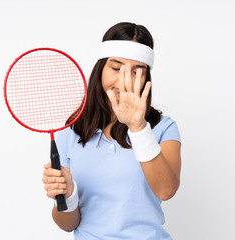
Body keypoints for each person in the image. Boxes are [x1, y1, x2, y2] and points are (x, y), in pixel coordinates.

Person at [42, 22, 182, 239]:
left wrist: (137, 127)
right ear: (100, 70)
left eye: (136, 71)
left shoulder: (163, 128)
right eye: (116, 68)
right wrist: (67, 196)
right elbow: (68, 224)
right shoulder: (70, 133)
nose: (123, 81)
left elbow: (166, 190)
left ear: (147, 78)